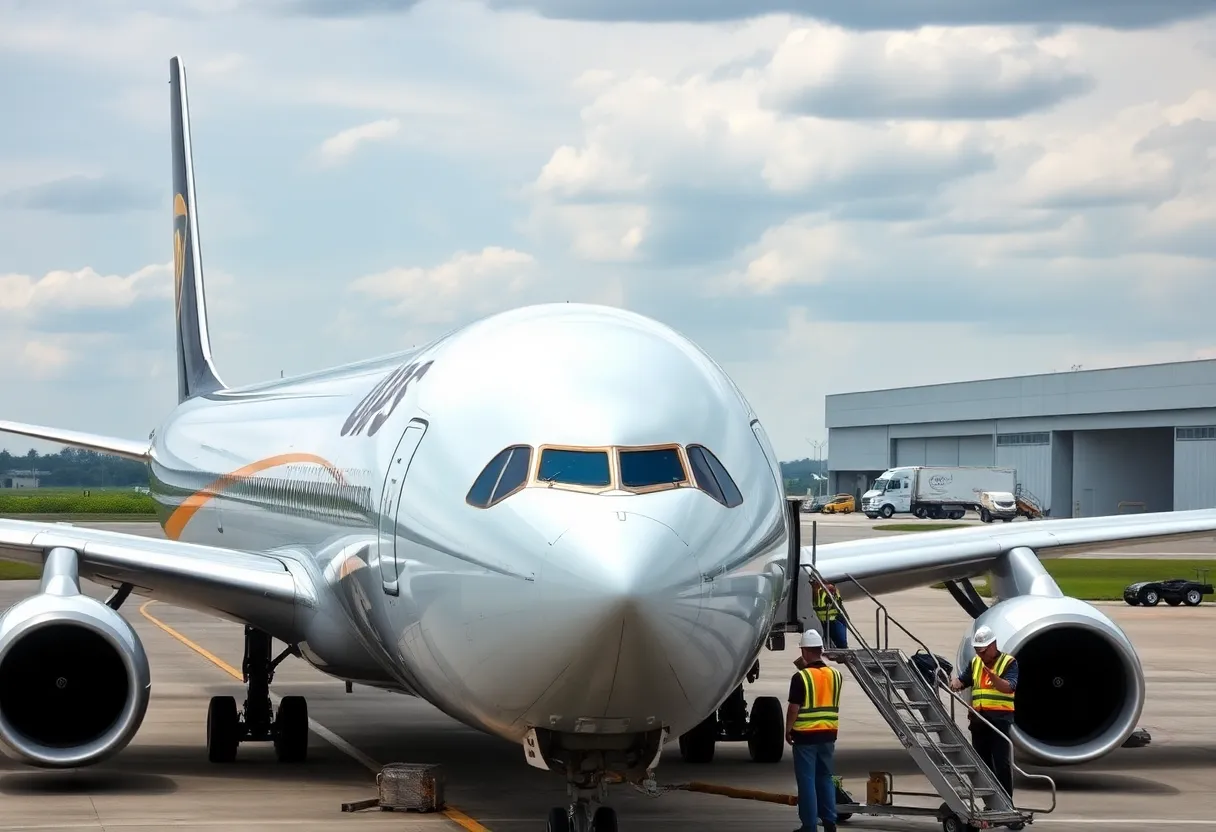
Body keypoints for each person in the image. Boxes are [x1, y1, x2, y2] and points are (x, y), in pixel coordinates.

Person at [950, 624, 1021, 824]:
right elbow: (963, 681)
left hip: (999, 722)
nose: (980, 655)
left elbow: (1009, 687)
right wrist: (955, 683)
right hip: (979, 721)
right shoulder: (976, 663)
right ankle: (991, 803)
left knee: (1002, 764)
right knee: (982, 765)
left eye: (983, 651)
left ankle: (1007, 805)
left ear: (993, 645)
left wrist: (994, 678)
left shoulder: (1009, 663)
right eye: (977, 651)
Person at [786, 628, 843, 832]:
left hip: (805, 737)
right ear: (820, 650)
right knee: (825, 777)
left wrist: (788, 729)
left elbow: (794, 708)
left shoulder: (800, 677)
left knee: (807, 781)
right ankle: (830, 821)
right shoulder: (836, 675)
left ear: (805, 652)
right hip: (828, 734)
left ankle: (809, 826)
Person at [813, 579, 848, 649]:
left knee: (841, 644)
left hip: (834, 619)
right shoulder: (816, 589)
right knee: (826, 644)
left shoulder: (830, 589)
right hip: (824, 621)